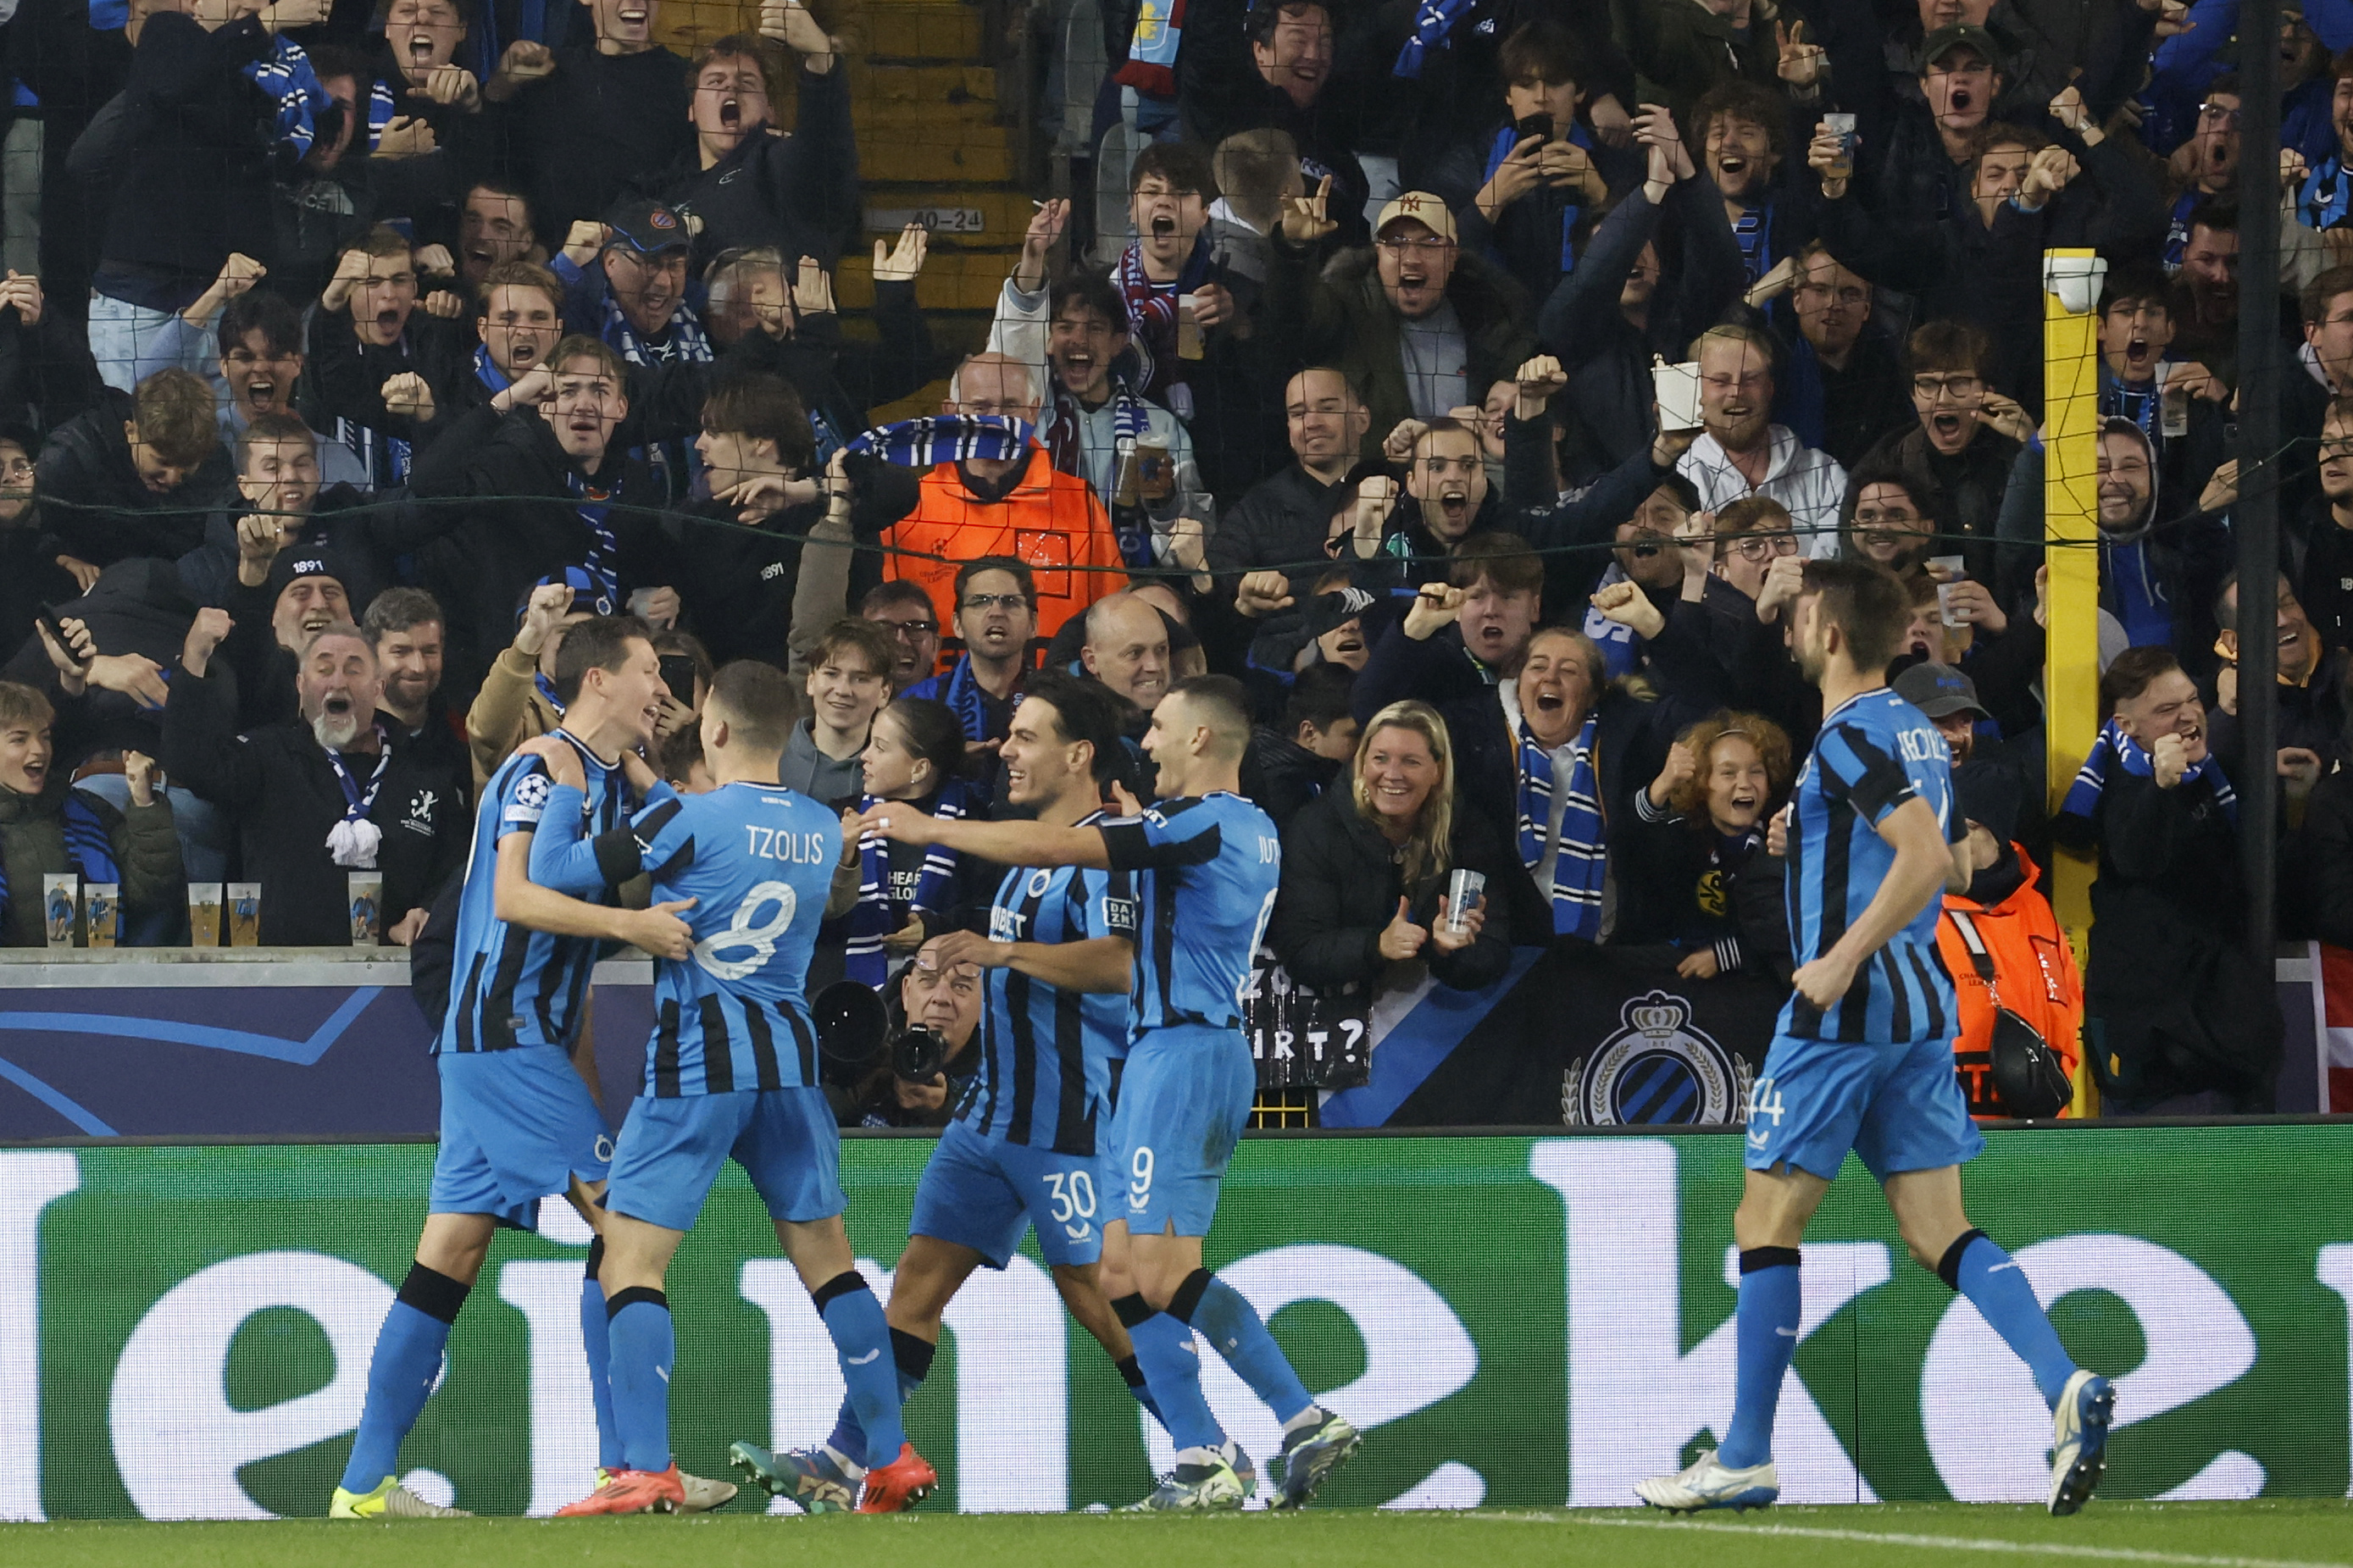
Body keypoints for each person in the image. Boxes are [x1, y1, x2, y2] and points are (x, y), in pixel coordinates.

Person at [1636, 559, 2113, 1517]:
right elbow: (1917, 852)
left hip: (1844, 1011)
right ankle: (2060, 1381)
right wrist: (1809, 846)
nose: (1790, 629)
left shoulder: (1853, 730)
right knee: (1938, 1230)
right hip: (1919, 1012)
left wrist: (1841, 956)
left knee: (1763, 1225)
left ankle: (1742, 1455)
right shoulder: (1911, 729)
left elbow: (1928, 858)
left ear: (1830, 635)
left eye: (1801, 617)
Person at [854, 677, 1360, 1510]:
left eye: (1159, 726)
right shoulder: (1250, 827)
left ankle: (1295, 1414)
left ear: (1201, 739)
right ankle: (1217, 1451)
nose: (1148, 741)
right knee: (1124, 1272)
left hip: (1181, 1052)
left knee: (1152, 1277)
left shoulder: (1202, 823)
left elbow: (1062, 852)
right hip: (1181, 1052)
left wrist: (929, 826)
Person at [519, 658, 932, 1516]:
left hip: (699, 1060)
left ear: (711, 728)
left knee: (629, 1263)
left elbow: (557, 873)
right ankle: (887, 1458)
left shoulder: (690, 820)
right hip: (789, 1059)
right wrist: (644, 769)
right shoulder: (822, 827)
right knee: (831, 1266)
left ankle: (644, 1468)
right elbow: (784, 885)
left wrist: (565, 785)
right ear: (788, 733)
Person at [738, 673, 1156, 1511]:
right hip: (989, 1117)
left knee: (1103, 1299)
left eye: (1026, 736)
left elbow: (1122, 964)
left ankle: (1207, 1451)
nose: (1006, 748)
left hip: (1064, 1120)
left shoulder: (1110, 845)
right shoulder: (1025, 849)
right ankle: (847, 1461)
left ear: (1077, 755)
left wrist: (1005, 957)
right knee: (916, 1289)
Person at [326, 616, 707, 1521]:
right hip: (504, 1041)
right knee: (623, 1227)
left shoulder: (605, 776)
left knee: (449, 1256)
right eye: (647, 671)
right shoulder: (541, 767)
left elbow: (680, 833)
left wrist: (652, 763)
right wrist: (632, 927)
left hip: (509, 1043)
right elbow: (514, 894)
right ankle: (630, 1468)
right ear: (597, 680)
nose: (660, 686)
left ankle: (362, 1491)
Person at [2054, 646, 2281, 1115]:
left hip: (2216, 998)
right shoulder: (2119, 783)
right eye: (2166, 710)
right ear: (2125, 726)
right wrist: (2160, 788)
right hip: (2146, 1014)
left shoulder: (2219, 772)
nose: (2189, 716)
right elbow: (2136, 859)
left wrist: (2288, 792)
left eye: (2192, 699)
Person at [164, 615, 466, 949]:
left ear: (378, 687)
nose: (339, 681)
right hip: (277, 979)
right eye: (324, 670)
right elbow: (191, 761)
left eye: (354, 669)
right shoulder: (267, 754)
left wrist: (428, 912)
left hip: (388, 982)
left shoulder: (425, 768)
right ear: (301, 685)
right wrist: (195, 657)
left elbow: (456, 867)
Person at [1268, 698, 1517, 1000]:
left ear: (1437, 771)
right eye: (1380, 758)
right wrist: (1378, 946)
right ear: (1362, 763)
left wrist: (1446, 949)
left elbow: (1492, 951)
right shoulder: (1316, 828)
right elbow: (1301, 950)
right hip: (1339, 1019)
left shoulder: (1468, 831)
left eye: (1411, 761)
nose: (1393, 774)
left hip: (1435, 1029)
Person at [1269, 190, 1534, 462]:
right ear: (1378, 254)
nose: (1411, 258)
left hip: (1469, 485)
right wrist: (1294, 251)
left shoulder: (1493, 316)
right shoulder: (1345, 306)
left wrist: (1482, 437)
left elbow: (1532, 416)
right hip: (1372, 486)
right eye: (1395, 243)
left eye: (1429, 243)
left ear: (1453, 257)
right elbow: (1289, 327)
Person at [881, 352, 1125, 641]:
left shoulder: (1079, 502)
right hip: (937, 685)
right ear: (952, 413)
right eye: (981, 407)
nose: (997, 421)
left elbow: (1115, 618)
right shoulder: (909, 506)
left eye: (1011, 407)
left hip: (1053, 685)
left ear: (1033, 412)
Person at [0, 682, 178, 949]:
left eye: (45, 736)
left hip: (90, 981)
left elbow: (152, 892)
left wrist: (144, 802)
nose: (39, 750)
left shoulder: (86, 810)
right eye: (19, 739)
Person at [1618, 710, 1795, 978]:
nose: (1745, 784)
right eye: (1728, 773)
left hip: (1755, 988)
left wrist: (1727, 955)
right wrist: (1662, 786)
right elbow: (1623, 843)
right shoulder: (1678, 836)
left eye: (1756, 772)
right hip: (1673, 976)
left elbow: (1793, 930)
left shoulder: (1785, 840)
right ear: (1703, 783)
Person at [830, 696, 982, 986]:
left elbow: (989, 911)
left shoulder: (973, 822)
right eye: (869, 742)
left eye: (880, 747)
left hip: (945, 991)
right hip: (854, 992)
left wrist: (937, 928)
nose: (865, 755)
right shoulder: (841, 818)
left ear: (920, 769)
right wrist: (844, 856)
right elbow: (818, 919)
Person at [1677, 324, 1848, 557]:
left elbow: (1830, 577)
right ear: (1697, 391)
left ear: (1769, 388)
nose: (1736, 391)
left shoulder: (1825, 475)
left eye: (1750, 379)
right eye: (1720, 381)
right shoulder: (1679, 478)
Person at [904, 557, 1039, 754]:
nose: (996, 612)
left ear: (1033, 624)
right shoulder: (919, 703)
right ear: (957, 625)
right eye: (980, 601)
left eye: (1010, 602)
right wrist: (947, 762)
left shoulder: (1061, 703)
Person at [363, 587, 469, 807]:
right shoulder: (348, 738)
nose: (418, 667)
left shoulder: (462, 737)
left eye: (429, 651)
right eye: (401, 652)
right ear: (370, 655)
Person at [788, 618, 895, 806]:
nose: (843, 690)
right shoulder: (774, 754)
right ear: (811, 681)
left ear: (884, 693)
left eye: (861, 679)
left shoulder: (896, 769)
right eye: (831, 674)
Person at [1240, 662, 1357, 831]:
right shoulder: (1280, 792)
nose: (1365, 744)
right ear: (1309, 733)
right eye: (1354, 735)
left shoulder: (1311, 772)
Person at [862, 581, 943, 694]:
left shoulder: (959, 709)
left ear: (935, 646)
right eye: (884, 629)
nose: (901, 640)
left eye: (916, 628)